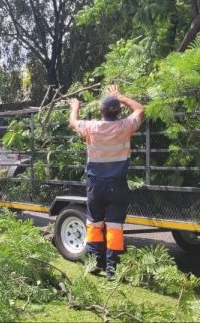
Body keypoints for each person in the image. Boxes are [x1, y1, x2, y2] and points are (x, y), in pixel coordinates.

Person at [69, 85, 144, 278]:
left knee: (94, 224)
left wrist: (75, 106)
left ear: (100, 111)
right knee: (114, 227)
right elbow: (140, 109)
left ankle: (94, 263)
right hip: (117, 185)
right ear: (119, 111)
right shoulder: (125, 126)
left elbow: (73, 122)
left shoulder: (91, 127)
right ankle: (112, 269)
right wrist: (120, 96)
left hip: (96, 185)